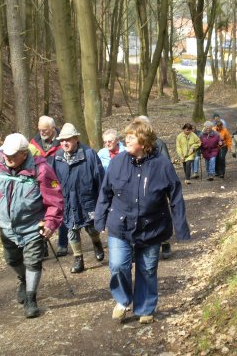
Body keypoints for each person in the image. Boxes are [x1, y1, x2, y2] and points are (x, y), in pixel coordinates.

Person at [94, 119, 190, 324]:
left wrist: (181, 228)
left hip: (152, 227)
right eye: (126, 136)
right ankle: (122, 300)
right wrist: (100, 219)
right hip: (120, 226)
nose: (126, 140)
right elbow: (105, 192)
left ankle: (145, 308)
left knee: (147, 269)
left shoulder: (161, 164)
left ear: (144, 141)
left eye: (131, 137)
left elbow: (175, 196)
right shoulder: (118, 162)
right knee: (118, 266)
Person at [0, 133, 63, 318]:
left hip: (33, 226)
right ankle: (22, 279)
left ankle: (31, 298)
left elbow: (55, 200)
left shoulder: (41, 169)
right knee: (12, 259)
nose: (8, 158)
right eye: (6, 154)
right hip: (6, 227)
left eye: (13, 155)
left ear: (24, 153)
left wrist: (51, 223)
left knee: (33, 261)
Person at [52, 123, 105, 273]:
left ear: (76, 139)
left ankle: (97, 243)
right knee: (72, 229)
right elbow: (53, 181)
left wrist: (103, 202)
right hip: (68, 201)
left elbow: (100, 179)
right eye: (62, 140)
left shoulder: (89, 154)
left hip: (88, 200)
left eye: (68, 139)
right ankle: (78, 258)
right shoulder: (57, 157)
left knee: (92, 228)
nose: (64, 143)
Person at [135, 115, 172, 259]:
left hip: (155, 185)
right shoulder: (133, 145)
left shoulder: (159, 143)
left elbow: (166, 165)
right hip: (138, 185)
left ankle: (165, 242)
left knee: (160, 214)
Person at [28, 116, 65, 257]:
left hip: (59, 181)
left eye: (45, 130)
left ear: (53, 128)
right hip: (40, 182)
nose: (42, 132)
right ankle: (42, 246)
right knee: (41, 216)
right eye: (40, 129)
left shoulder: (62, 141)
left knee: (60, 212)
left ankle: (62, 244)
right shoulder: (34, 142)